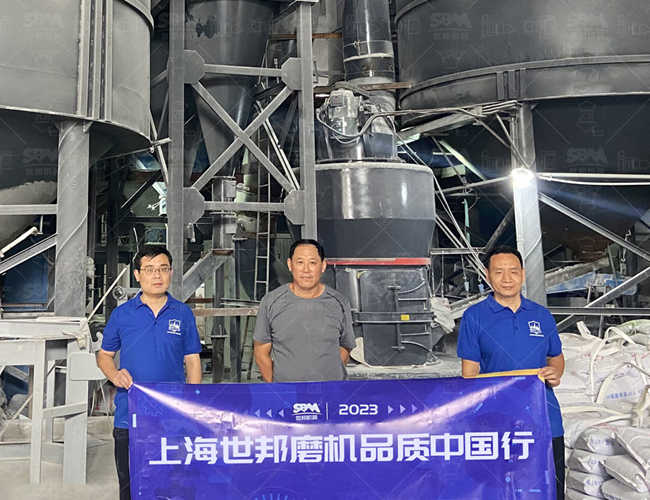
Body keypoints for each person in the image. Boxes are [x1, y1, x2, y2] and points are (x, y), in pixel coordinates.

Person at [457, 246, 565, 500]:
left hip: (543, 416)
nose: (507, 279)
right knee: (498, 487)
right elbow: (469, 376)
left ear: (523, 275)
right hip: (497, 420)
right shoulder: (474, 317)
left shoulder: (541, 315)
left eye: (513, 272)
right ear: (487, 276)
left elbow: (556, 357)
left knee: (550, 485)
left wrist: (555, 373)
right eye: (499, 272)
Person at [96, 246, 202, 500]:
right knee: (131, 485)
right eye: (150, 269)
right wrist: (114, 375)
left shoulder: (182, 313)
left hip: (172, 415)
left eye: (163, 269)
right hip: (130, 416)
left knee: (173, 483)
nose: (157, 275)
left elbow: (192, 361)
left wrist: (191, 403)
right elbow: (104, 355)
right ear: (137, 275)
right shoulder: (122, 315)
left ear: (171, 273)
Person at [253, 239, 356, 382]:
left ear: (323, 266)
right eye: (300, 262)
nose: (306, 270)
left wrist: (330, 378)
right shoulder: (271, 302)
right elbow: (261, 352)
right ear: (290, 265)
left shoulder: (339, 302)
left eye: (312, 263)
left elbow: (345, 346)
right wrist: (277, 389)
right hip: (287, 392)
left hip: (330, 391)